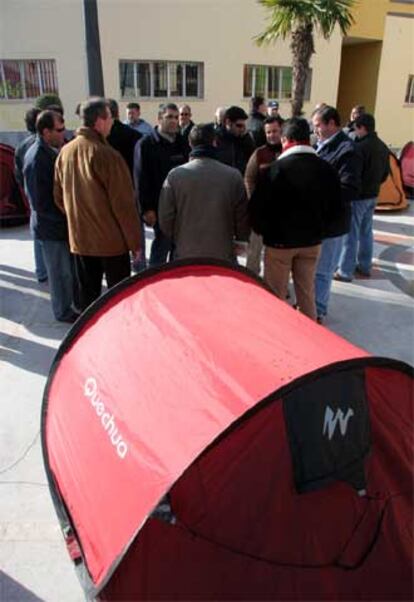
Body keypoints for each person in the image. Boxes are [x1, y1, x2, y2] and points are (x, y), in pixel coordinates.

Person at [249, 117, 342, 321]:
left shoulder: (273, 170)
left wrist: (265, 232)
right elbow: (337, 209)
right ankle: (308, 335)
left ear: (285, 140)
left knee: (275, 295)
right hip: (312, 244)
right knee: (307, 293)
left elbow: (256, 210)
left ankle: (278, 336)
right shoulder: (327, 169)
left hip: (279, 245)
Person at [54, 98, 142, 310]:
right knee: (118, 301)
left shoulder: (65, 152)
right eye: (111, 117)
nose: (113, 122)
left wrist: (79, 219)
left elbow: (58, 197)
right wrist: (135, 244)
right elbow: (124, 206)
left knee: (87, 302)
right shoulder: (107, 155)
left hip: (81, 240)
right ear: (100, 121)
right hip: (111, 245)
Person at [158, 123, 249, 262]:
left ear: (190, 143)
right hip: (222, 252)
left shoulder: (175, 176)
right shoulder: (233, 176)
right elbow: (242, 215)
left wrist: (179, 237)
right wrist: (241, 240)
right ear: (214, 142)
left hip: (185, 251)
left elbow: (165, 218)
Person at [23, 110, 77, 323]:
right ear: (46, 132)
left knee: (66, 272)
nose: (64, 133)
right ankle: (63, 311)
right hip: (51, 227)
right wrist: (66, 214)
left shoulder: (50, 150)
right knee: (59, 273)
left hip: (58, 225)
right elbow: (40, 202)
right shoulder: (37, 158)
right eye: (60, 130)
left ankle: (68, 305)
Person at [312, 105, 361, 323]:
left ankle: (318, 310)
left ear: (332, 123)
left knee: (323, 269)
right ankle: (310, 305)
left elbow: (349, 189)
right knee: (313, 267)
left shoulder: (347, 150)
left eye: (318, 126)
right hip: (318, 218)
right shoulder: (321, 145)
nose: (315, 131)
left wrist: (317, 190)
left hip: (332, 221)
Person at [335, 113, 389, 282]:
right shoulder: (382, 146)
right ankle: (365, 265)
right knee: (366, 232)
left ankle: (345, 270)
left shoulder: (359, 148)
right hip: (373, 194)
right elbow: (386, 173)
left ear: (362, 128)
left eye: (356, 129)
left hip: (359, 197)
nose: (355, 132)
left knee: (351, 233)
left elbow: (355, 174)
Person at [134, 102, 189, 267]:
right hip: (158, 209)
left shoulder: (182, 142)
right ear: (159, 119)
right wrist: (146, 209)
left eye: (176, 117)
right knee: (160, 250)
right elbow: (140, 179)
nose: (174, 121)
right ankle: (155, 283)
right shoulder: (146, 145)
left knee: (179, 251)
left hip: (180, 207)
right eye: (169, 117)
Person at [107, 98, 146, 271]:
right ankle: (139, 267)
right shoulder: (135, 136)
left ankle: (130, 264)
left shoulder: (101, 139)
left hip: (112, 193)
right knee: (135, 230)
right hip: (132, 189)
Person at [244, 116, 283, 274]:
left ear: (282, 130)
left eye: (275, 131)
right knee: (254, 252)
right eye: (268, 132)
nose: (271, 135)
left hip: (282, 215)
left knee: (278, 254)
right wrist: (254, 201)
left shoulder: (288, 151)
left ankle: (277, 284)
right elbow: (248, 178)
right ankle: (252, 280)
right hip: (260, 213)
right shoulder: (259, 153)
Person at [14, 107, 47, 283]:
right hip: (45, 198)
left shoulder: (21, 146)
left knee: (36, 231)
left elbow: (17, 173)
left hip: (31, 195)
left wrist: (26, 189)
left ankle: (41, 271)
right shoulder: (41, 146)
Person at [216, 106, 255, 175]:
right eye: (239, 126)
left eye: (244, 126)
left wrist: (246, 140)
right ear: (228, 122)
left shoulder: (245, 139)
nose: (242, 129)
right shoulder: (216, 140)